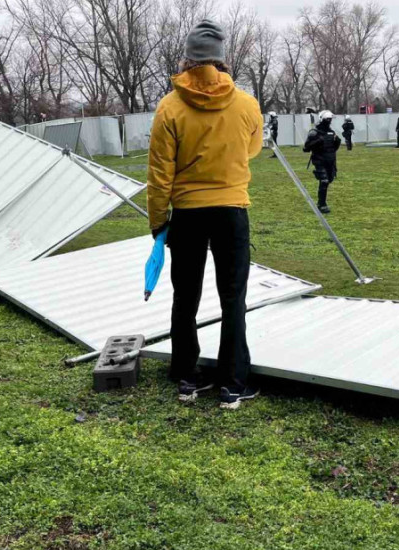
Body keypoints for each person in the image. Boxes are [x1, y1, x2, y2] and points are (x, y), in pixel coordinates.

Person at [146, 19, 264, 409]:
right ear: (221, 57)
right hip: (231, 210)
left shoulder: (169, 107)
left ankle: (186, 375)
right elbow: (251, 150)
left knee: (187, 295)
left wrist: (158, 219)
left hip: (188, 214)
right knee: (234, 297)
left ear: (188, 57)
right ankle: (233, 381)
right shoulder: (247, 104)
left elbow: (160, 172)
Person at [303, 110, 340, 214]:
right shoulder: (314, 132)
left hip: (330, 160)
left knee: (328, 180)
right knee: (324, 181)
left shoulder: (331, 132)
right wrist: (317, 142)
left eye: (330, 119)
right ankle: (321, 204)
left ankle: (322, 202)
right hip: (319, 160)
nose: (329, 121)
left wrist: (337, 142)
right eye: (327, 119)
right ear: (322, 119)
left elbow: (333, 148)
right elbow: (306, 148)